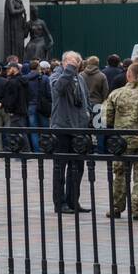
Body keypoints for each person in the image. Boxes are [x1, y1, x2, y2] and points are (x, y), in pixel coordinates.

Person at [104, 61, 138, 220]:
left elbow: (107, 118)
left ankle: (116, 207)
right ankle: (137, 208)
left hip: (122, 141)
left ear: (128, 75)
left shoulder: (116, 93)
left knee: (120, 174)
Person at [50, 51, 91, 215]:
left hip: (78, 128)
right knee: (60, 167)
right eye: (73, 62)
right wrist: (69, 70)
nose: (76, 65)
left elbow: (85, 99)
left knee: (77, 167)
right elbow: (59, 88)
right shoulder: (56, 76)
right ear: (64, 62)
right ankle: (60, 203)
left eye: (78, 62)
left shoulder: (79, 78)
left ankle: (73, 200)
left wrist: (87, 116)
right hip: (62, 127)